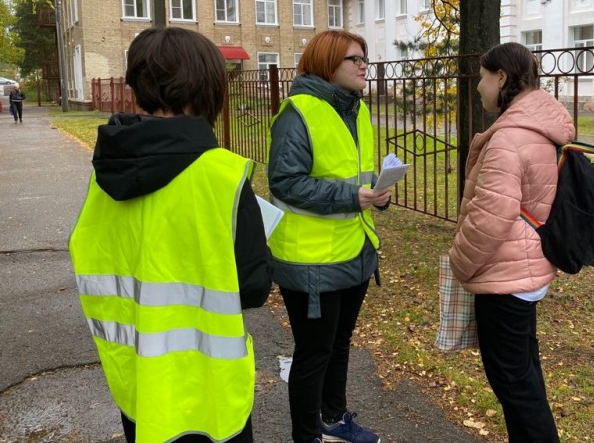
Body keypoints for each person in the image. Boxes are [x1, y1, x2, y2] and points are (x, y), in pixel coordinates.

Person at [69, 27, 271, 443]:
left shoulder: (107, 173)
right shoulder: (224, 176)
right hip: (208, 391)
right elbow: (252, 288)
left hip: (137, 382)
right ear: (209, 88)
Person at [448, 42, 575, 443]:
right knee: (523, 375)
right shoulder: (540, 127)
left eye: (483, 79)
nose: (479, 88)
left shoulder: (508, 137)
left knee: (515, 386)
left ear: (501, 78)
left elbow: (491, 218)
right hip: (527, 268)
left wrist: (460, 263)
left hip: (505, 274)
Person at [268, 30, 390, 443]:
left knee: (338, 346)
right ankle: (307, 436)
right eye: (354, 59)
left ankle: (333, 423)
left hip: (353, 249)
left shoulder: (357, 110)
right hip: (310, 260)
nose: (363, 67)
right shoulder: (298, 112)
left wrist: (378, 194)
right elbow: (285, 183)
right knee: (314, 353)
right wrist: (351, 196)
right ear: (326, 64)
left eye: (365, 60)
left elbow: (357, 174)